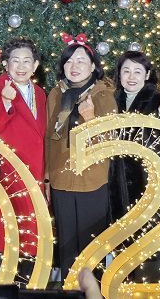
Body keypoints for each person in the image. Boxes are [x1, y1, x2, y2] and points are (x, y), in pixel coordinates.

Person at [45, 38, 117, 281]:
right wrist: (46, 177)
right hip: (60, 179)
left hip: (91, 181)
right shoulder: (56, 93)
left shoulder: (103, 95)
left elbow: (110, 140)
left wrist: (90, 119)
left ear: (93, 67)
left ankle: (92, 292)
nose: (74, 66)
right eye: (69, 61)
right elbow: (48, 137)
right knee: (66, 247)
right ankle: (69, 291)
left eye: (81, 61)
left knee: (91, 247)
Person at [0, 37, 47, 280]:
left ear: (36, 65)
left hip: (34, 178)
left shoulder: (40, 93)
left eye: (27, 61)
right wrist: (6, 101)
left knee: (30, 245)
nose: (21, 66)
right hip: (6, 176)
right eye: (15, 61)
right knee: (5, 243)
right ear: (6, 65)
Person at [109, 50, 160, 280]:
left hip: (144, 177)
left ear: (147, 74)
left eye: (138, 71)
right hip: (113, 175)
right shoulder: (111, 97)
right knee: (116, 233)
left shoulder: (159, 100)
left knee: (142, 237)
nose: (131, 76)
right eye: (126, 71)